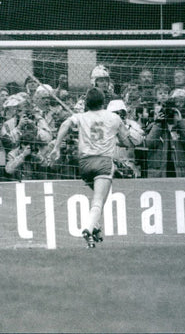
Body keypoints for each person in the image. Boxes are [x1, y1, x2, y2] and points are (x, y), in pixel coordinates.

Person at [50, 88, 132, 248]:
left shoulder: (81, 117)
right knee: (99, 200)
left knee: (100, 197)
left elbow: (65, 124)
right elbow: (127, 142)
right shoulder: (114, 117)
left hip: (85, 164)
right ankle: (88, 228)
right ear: (103, 102)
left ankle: (96, 227)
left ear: (86, 103)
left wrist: (56, 147)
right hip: (103, 162)